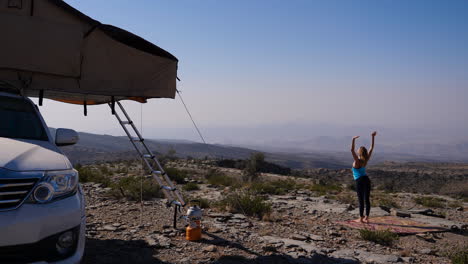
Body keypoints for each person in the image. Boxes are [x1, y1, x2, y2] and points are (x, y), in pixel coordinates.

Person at [351, 131, 377, 223]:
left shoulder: (357, 161)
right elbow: (372, 147)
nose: (357, 150)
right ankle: (367, 217)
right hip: (366, 179)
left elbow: (351, 150)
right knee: (367, 199)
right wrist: (373, 137)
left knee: (361, 199)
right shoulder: (365, 160)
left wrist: (353, 139)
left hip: (360, 180)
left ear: (360, 152)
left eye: (358, 149)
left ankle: (361, 218)